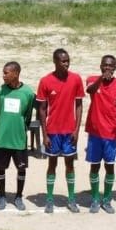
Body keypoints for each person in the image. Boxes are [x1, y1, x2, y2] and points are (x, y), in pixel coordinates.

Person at [37, 48, 85, 214]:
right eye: (63, 61)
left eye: (67, 60)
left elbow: (79, 105)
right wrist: (44, 134)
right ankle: (49, 200)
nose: (66, 63)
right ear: (55, 62)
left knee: (69, 164)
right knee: (52, 164)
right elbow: (42, 109)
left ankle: (71, 199)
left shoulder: (76, 79)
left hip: (69, 131)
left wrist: (77, 130)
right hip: (53, 131)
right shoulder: (45, 81)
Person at [83, 55, 116, 213]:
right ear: (101, 66)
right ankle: (95, 198)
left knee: (109, 167)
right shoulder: (92, 79)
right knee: (94, 166)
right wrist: (101, 79)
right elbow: (90, 90)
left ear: (115, 68)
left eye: (111, 66)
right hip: (95, 131)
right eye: (105, 65)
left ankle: (107, 199)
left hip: (111, 131)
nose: (108, 68)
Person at [0, 61, 36, 211]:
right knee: (0, 168)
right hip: (2, 137)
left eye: (6, 73)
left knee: (21, 169)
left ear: (16, 73)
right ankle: (2, 196)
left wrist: (22, 128)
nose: (3, 75)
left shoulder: (28, 93)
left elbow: (28, 115)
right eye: (3, 72)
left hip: (19, 138)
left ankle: (18, 196)